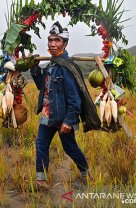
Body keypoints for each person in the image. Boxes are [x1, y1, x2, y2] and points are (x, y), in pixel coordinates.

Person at [30, 21, 91, 190]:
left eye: (57, 40)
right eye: (50, 40)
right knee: (41, 144)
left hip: (62, 117)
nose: (52, 44)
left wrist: (69, 120)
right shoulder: (51, 64)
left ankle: (86, 172)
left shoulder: (67, 67)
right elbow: (42, 86)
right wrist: (35, 69)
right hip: (47, 115)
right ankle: (41, 180)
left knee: (70, 148)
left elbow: (75, 98)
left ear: (64, 43)